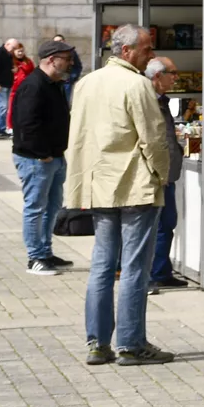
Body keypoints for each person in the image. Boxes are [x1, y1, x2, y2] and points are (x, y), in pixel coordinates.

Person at [65, 24, 172, 367]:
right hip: (134, 185)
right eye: (146, 49)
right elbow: (153, 138)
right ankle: (130, 343)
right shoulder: (136, 84)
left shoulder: (86, 83)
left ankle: (97, 343)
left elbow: (78, 136)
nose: (151, 55)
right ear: (126, 52)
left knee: (101, 266)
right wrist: (163, 175)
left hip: (99, 185)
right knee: (134, 269)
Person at [11, 40, 76, 275]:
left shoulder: (53, 83)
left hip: (54, 157)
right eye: (66, 59)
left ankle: (45, 252)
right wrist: (43, 155)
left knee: (52, 207)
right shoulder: (34, 85)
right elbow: (27, 125)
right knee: (36, 208)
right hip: (37, 159)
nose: (70, 63)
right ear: (51, 60)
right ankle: (35, 258)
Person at [144, 57, 189, 291]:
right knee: (155, 227)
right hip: (154, 176)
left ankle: (161, 271)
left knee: (166, 223)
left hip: (166, 175)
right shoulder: (147, 100)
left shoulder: (161, 100)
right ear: (157, 76)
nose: (175, 77)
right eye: (171, 73)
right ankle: (150, 275)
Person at [0, 38, 20, 138]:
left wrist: (13, 69)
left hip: (7, 84)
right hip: (0, 85)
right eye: (13, 47)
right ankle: (0, 130)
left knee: (5, 107)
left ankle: (2, 128)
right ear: (7, 44)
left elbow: (8, 67)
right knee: (2, 107)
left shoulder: (9, 55)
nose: (14, 50)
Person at [5, 44, 33, 132]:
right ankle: (10, 127)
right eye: (18, 51)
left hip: (26, 88)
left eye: (22, 51)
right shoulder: (11, 61)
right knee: (12, 108)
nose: (20, 53)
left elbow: (32, 72)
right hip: (14, 88)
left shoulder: (28, 61)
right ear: (14, 52)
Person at [51, 34, 83, 106]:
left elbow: (78, 66)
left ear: (64, 41)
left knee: (65, 103)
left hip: (66, 82)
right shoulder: (50, 53)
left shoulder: (71, 52)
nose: (58, 43)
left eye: (60, 41)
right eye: (56, 41)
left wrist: (72, 77)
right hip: (53, 81)